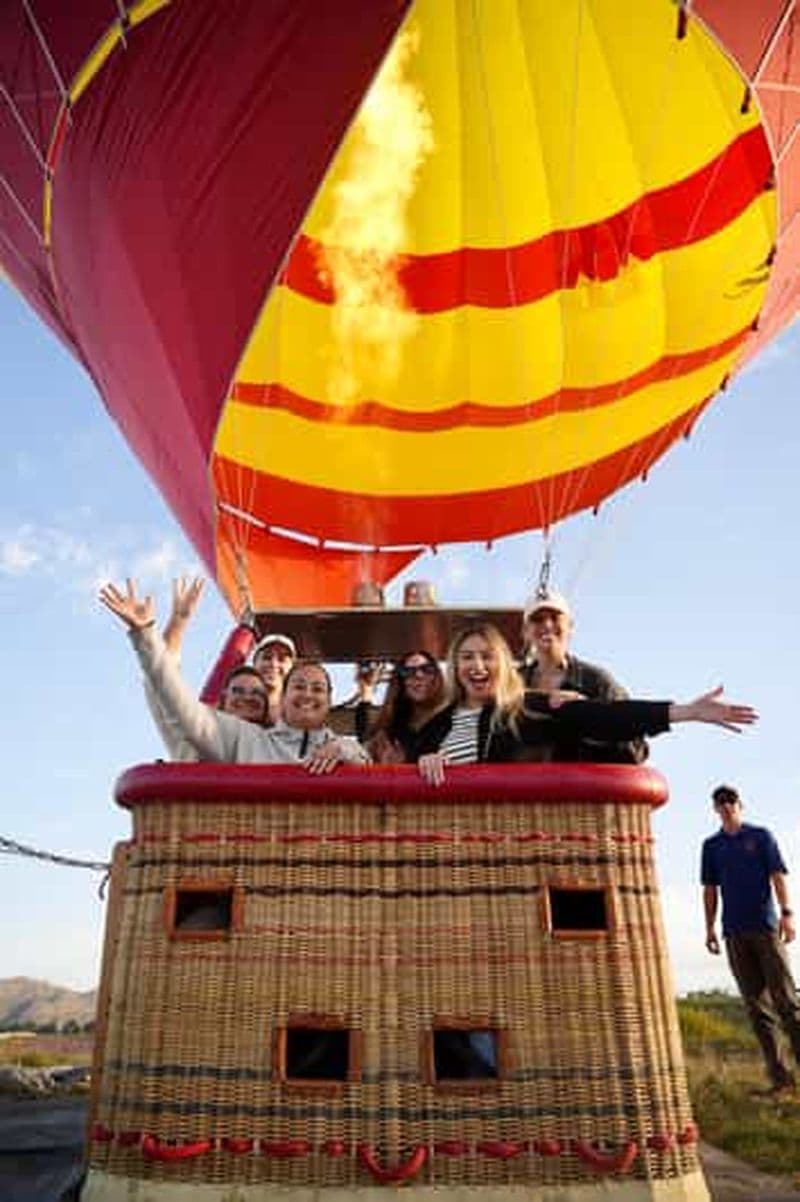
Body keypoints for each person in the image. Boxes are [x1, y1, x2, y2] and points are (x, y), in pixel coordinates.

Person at [415, 624, 757, 785]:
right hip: (448, 844)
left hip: (504, 835)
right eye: (467, 657)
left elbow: (601, 717)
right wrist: (421, 761)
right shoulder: (436, 724)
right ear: (454, 666)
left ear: (502, 664)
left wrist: (685, 712)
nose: (477, 666)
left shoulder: (526, 706)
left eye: (487, 657)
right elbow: (400, 765)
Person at [99, 580, 368, 771]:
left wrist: (345, 748)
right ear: (283, 696)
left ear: (331, 700)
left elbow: (367, 759)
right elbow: (175, 700)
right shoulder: (245, 739)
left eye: (318, 688)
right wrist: (147, 633)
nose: (308, 693)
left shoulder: (344, 746)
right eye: (299, 686)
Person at [701, 784, 800, 1097]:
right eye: (720, 802)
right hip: (734, 932)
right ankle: (781, 1080)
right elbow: (710, 889)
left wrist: (786, 914)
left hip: (766, 928)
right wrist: (709, 929)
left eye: (731, 801)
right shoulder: (712, 846)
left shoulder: (760, 837)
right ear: (715, 809)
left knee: (787, 1002)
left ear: (740, 804)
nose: (726, 806)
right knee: (757, 1010)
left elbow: (778, 876)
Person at [520, 591, 646, 764]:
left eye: (555, 617)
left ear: (570, 627)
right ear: (526, 631)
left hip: (581, 789)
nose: (547, 625)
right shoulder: (510, 683)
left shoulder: (597, 681)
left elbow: (637, 750)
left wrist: (592, 724)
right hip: (524, 789)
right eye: (537, 619)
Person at [365, 651, 446, 763]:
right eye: (409, 672)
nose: (419, 675)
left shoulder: (452, 718)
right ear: (400, 682)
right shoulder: (388, 730)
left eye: (427, 669)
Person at [251, 632, 297, 725]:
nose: (273, 664)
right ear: (255, 664)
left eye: (282, 660)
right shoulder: (237, 708)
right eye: (267, 658)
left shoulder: (300, 716)